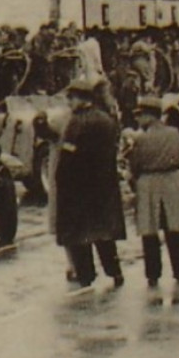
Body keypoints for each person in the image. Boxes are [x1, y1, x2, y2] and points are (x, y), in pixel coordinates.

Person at [53, 78, 127, 289]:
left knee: (79, 235)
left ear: (80, 98)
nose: (69, 103)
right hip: (103, 185)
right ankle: (115, 272)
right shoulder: (106, 119)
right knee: (104, 233)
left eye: (71, 98)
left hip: (78, 186)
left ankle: (86, 275)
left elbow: (67, 156)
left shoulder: (77, 122)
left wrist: (61, 180)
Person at [129, 96, 179, 298]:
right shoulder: (175, 133)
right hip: (173, 181)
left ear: (149, 116)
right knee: (174, 229)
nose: (138, 120)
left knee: (150, 232)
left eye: (140, 115)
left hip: (148, 183)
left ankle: (153, 274)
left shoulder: (140, 139)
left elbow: (135, 164)